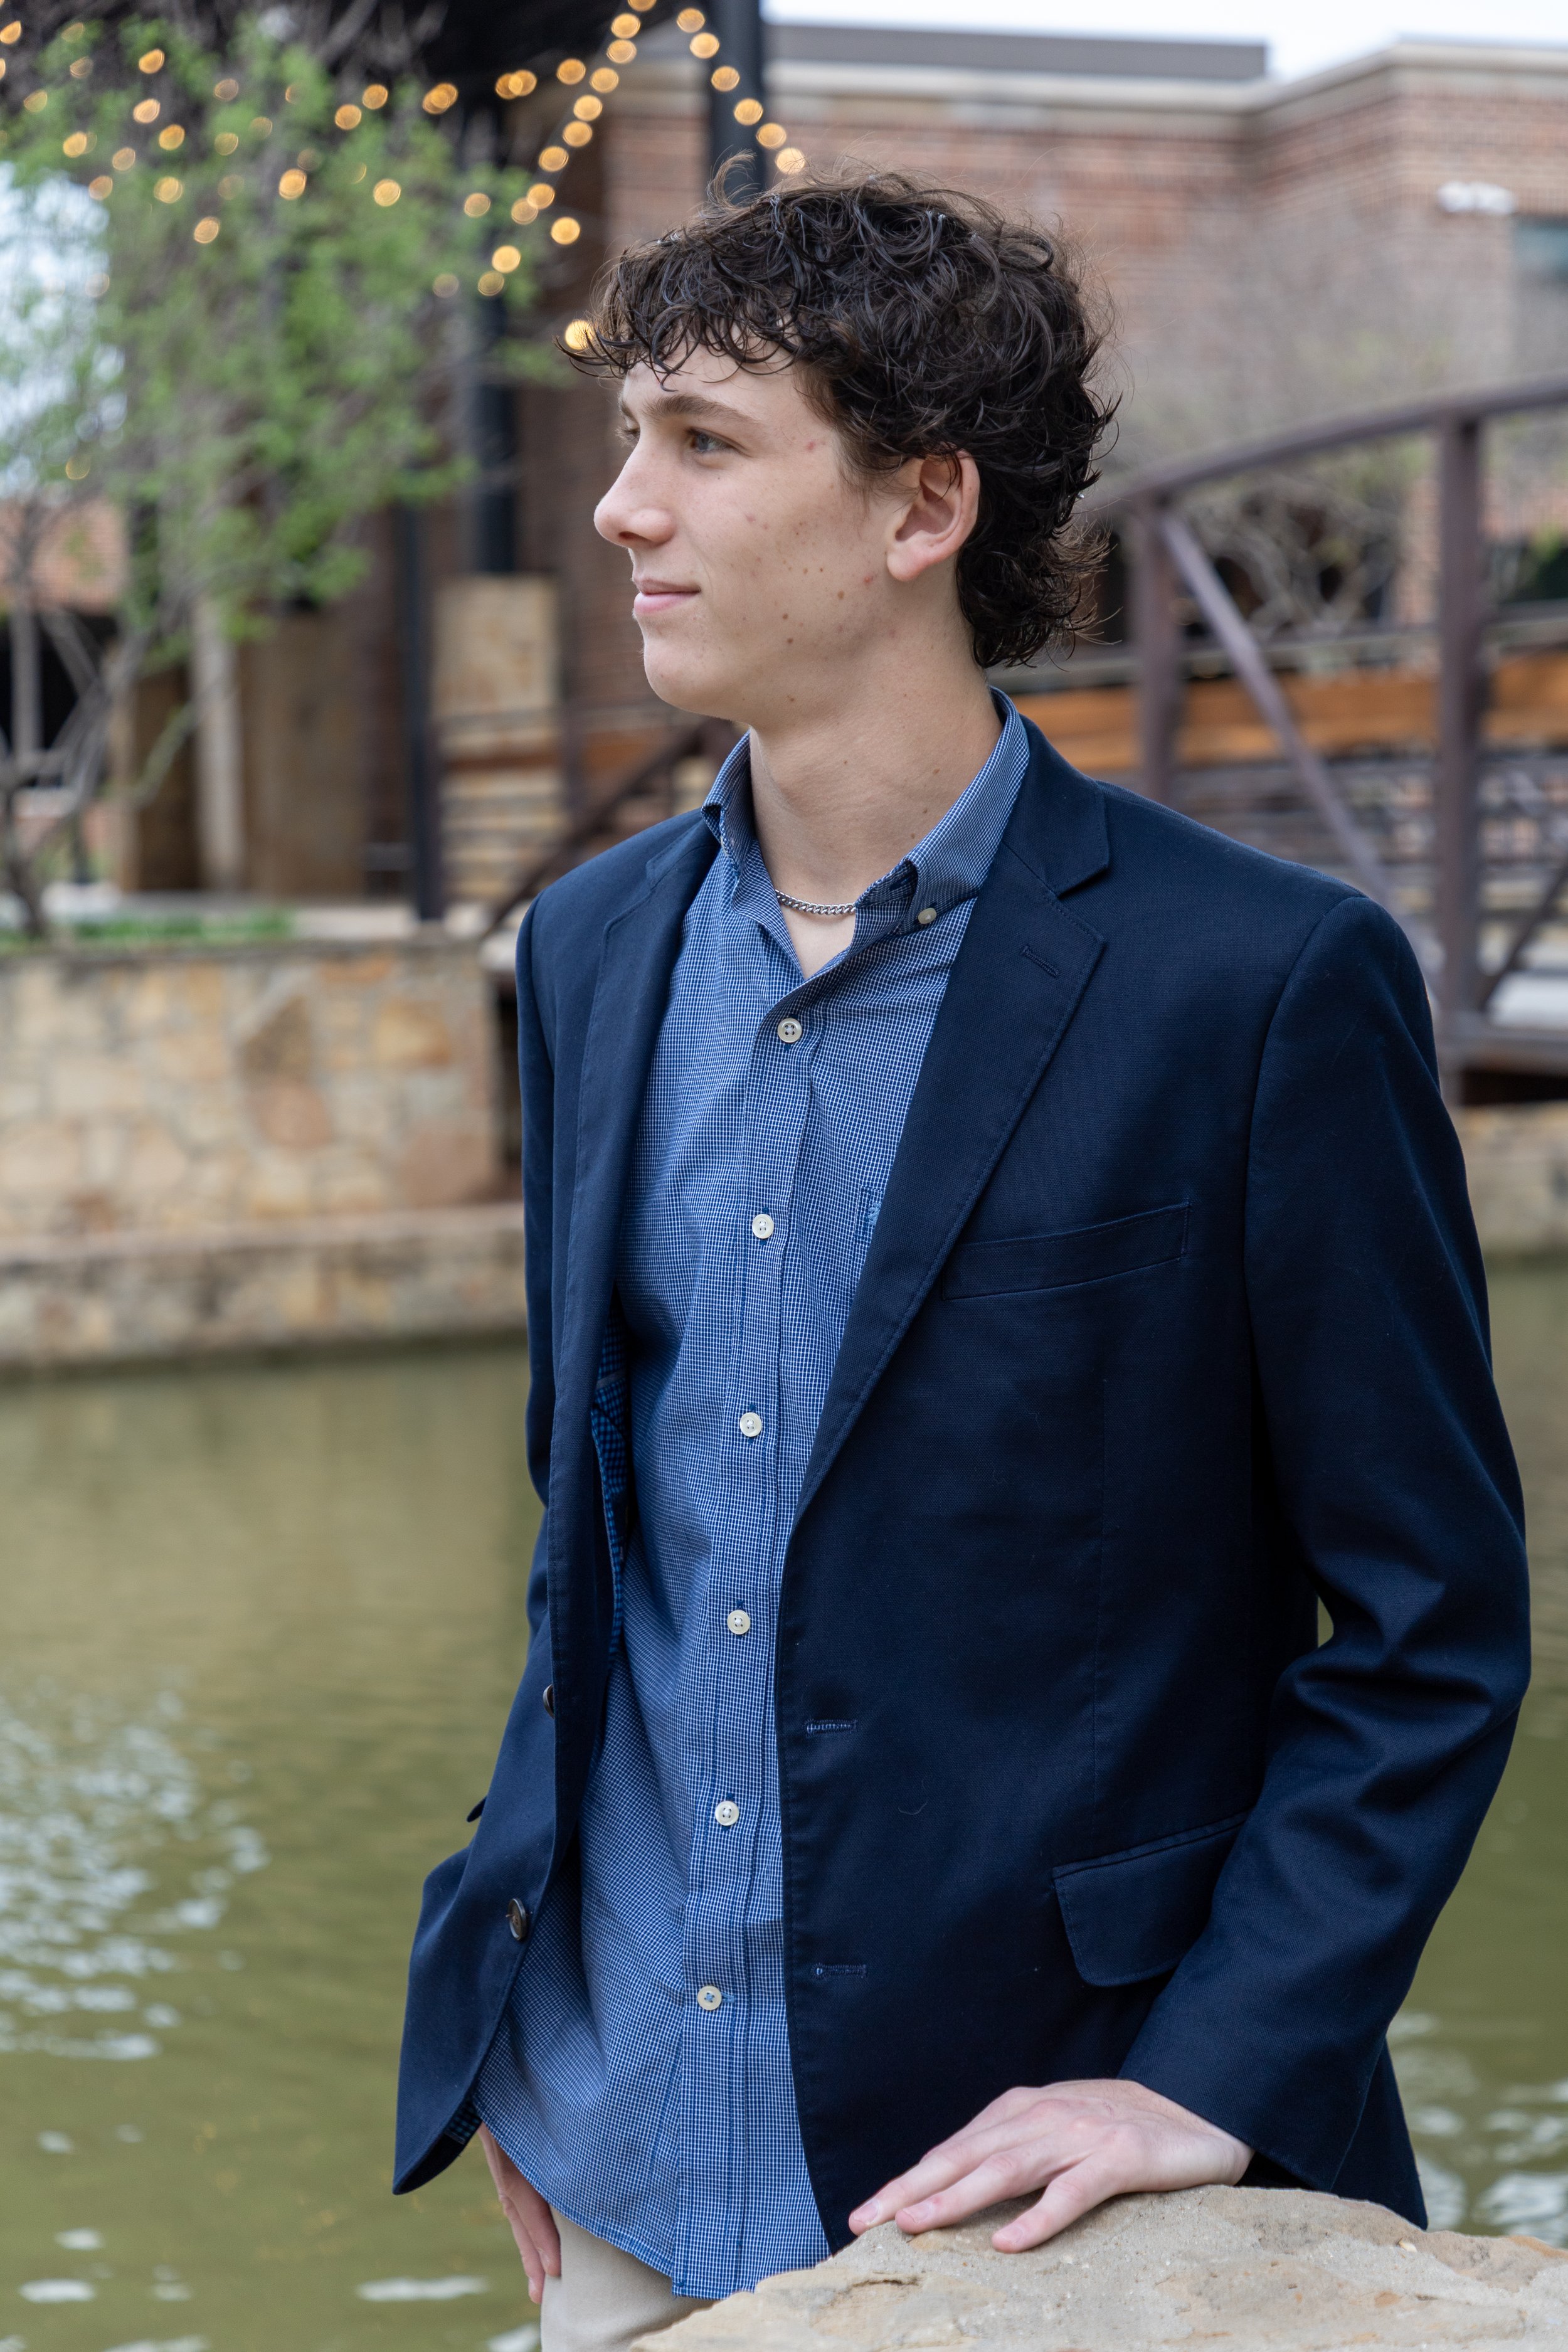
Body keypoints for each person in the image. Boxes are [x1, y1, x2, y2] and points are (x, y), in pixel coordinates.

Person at [394, 172, 1530, 2352]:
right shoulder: (590, 948)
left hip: (1030, 2180)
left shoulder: (1267, 984)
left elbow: (1424, 1629)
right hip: (614, 2129)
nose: (623, 510)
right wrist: (510, 1980)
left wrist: (1201, 2077)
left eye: (704, 444)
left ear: (922, 508)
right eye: (631, 440)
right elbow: (607, 1538)